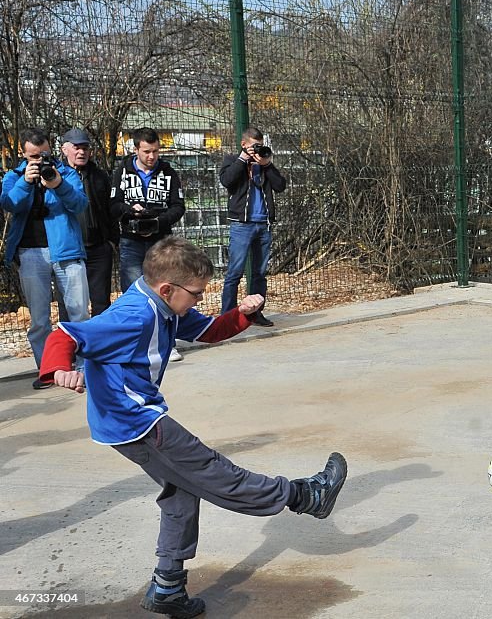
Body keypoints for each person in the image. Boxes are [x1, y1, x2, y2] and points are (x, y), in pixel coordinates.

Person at [38, 237, 347, 618]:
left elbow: (210, 331)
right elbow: (65, 335)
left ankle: (167, 588)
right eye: (197, 293)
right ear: (167, 289)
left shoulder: (166, 306)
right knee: (215, 472)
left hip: (129, 420)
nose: (200, 299)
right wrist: (59, 371)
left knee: (181, 496)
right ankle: (304, 497)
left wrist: (244, 314)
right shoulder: (134, 316)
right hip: (135, 422)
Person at [1, 127, 90, 390]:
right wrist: (25, 182)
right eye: (34, 157)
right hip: (30, 254)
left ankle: (85, 367)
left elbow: (80, 205)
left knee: (79, 314)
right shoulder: (13, 176)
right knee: (39, 319)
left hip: (67, 252)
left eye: (45, 156)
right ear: (23, 154)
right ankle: (47, 370)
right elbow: (9, 204)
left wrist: (58, 185)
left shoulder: (67, 174)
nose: (40, 162)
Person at [111, 126, 186, 360]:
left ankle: (167, 342)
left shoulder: (168, 171)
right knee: (134, 291)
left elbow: (179, 206)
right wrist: (128, 211)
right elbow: (112, 206)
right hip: (131, 240)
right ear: (136, 149)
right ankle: (136, 343)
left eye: (155, 151)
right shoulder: (121, 171)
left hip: (160, 240)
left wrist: (157, 220)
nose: (151, 156)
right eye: (146, 151)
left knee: (166, 289)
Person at [219, 127, 287, 327]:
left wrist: (267, 165)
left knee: (259, 272)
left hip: (263, 224)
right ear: (243, 144)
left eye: (259, 145)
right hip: (241, 224)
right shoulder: (232, 161)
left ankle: (256, 313)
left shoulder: (264, 163)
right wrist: (243, 159)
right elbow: (227, 180)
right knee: (234, 272)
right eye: (253, 146)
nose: (256, 149)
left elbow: (280, 186)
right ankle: (227, 317)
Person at [60, 128, 116, 316]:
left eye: (85, 148)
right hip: (70, 250)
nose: (82, 152)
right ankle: (71, 345)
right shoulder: (55, 176)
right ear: (64, 149)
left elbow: (111, 209)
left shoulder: (100, 176)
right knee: (70, 305)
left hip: (99, 248)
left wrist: (112, 242)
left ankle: (101, 344)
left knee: (101, 303)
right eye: (77, 147)